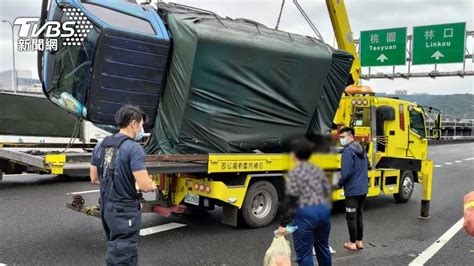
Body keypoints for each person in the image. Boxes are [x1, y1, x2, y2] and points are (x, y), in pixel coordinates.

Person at [90, 105, 157, 266]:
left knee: (115, 246)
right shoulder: (134, 148)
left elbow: (94, 178)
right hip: (124, 210)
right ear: (133, 124)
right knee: (124, 254)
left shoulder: (101, 144)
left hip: (107, 207)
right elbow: (144, 185)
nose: (142, 129)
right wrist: (151, 185)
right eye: (141, 125)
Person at [278, 138, 332, 266]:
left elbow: (290, 200)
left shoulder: (295, 173)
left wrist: (283, 224)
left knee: (305, 254)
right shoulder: (318, 170)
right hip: (324, 212)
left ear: (294, 154)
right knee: (323, 249)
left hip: (306, 215)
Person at [338, 127, 369, 251]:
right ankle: (359, 241)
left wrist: (339, 183)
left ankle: (352, 242)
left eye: (343, 137)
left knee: (351, 216)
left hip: (352, 189)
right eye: (340, 137)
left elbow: (346, 174)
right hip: (362, 188)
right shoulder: (361, 149)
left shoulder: (348, 152)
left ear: (351, 137)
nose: (341, 139)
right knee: (359, 215)